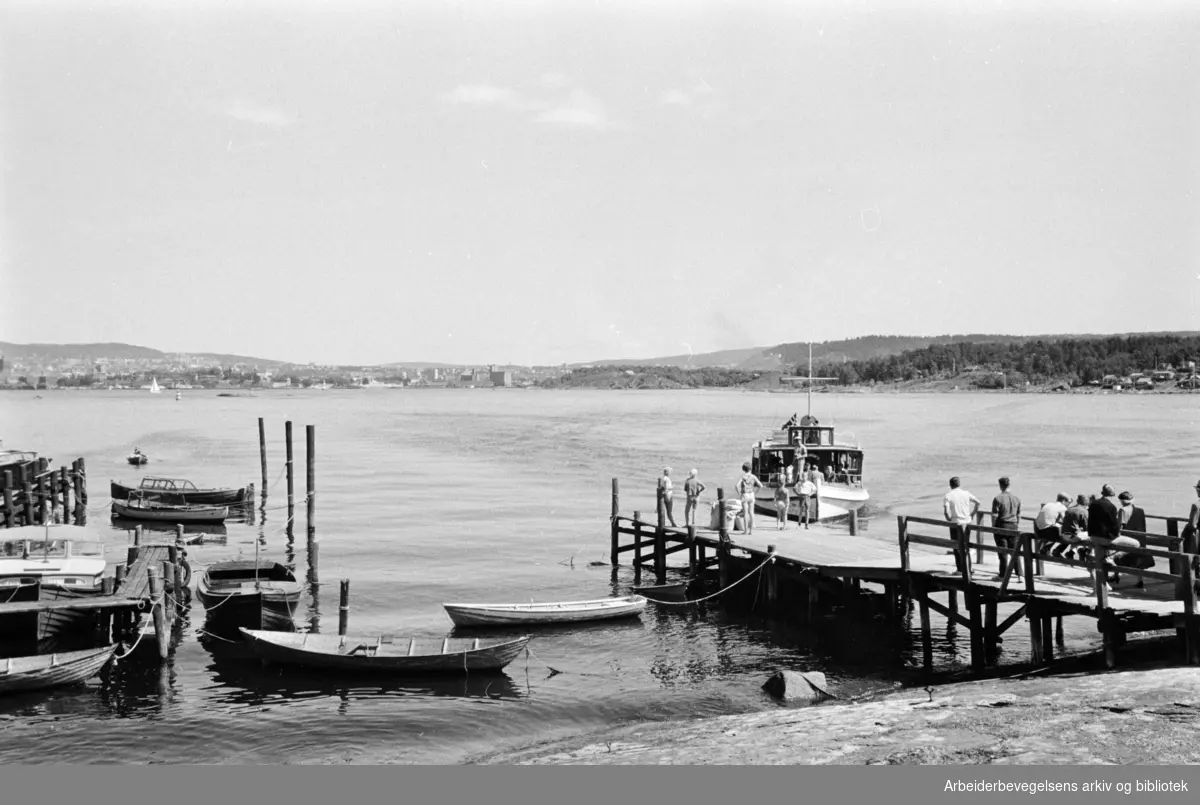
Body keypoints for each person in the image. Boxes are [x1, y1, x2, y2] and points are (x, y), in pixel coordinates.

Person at [991, 477, 1022, 579]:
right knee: (1015, 551)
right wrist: (1016, 525)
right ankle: (1019, 575)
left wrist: (993, 527)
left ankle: (1002, 575)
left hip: (1002, 525)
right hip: (1014, 526)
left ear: (1000, 485)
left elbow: (994, 515)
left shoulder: (998, 498)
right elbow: (1018, 515)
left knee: (1003, 552)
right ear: (1009, 485)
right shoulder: (1017, 498)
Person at [736, 463, 763, 535]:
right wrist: (755, 493)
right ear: (751, 469)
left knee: (745, 513)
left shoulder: (743, 477)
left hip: (745, 495)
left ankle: (745, 531)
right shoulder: (753, 476)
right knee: (751, 513)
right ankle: (751, 531)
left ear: (744, 469)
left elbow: (736, 486)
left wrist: (739, 493)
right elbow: (761, 485)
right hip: (751, 494)